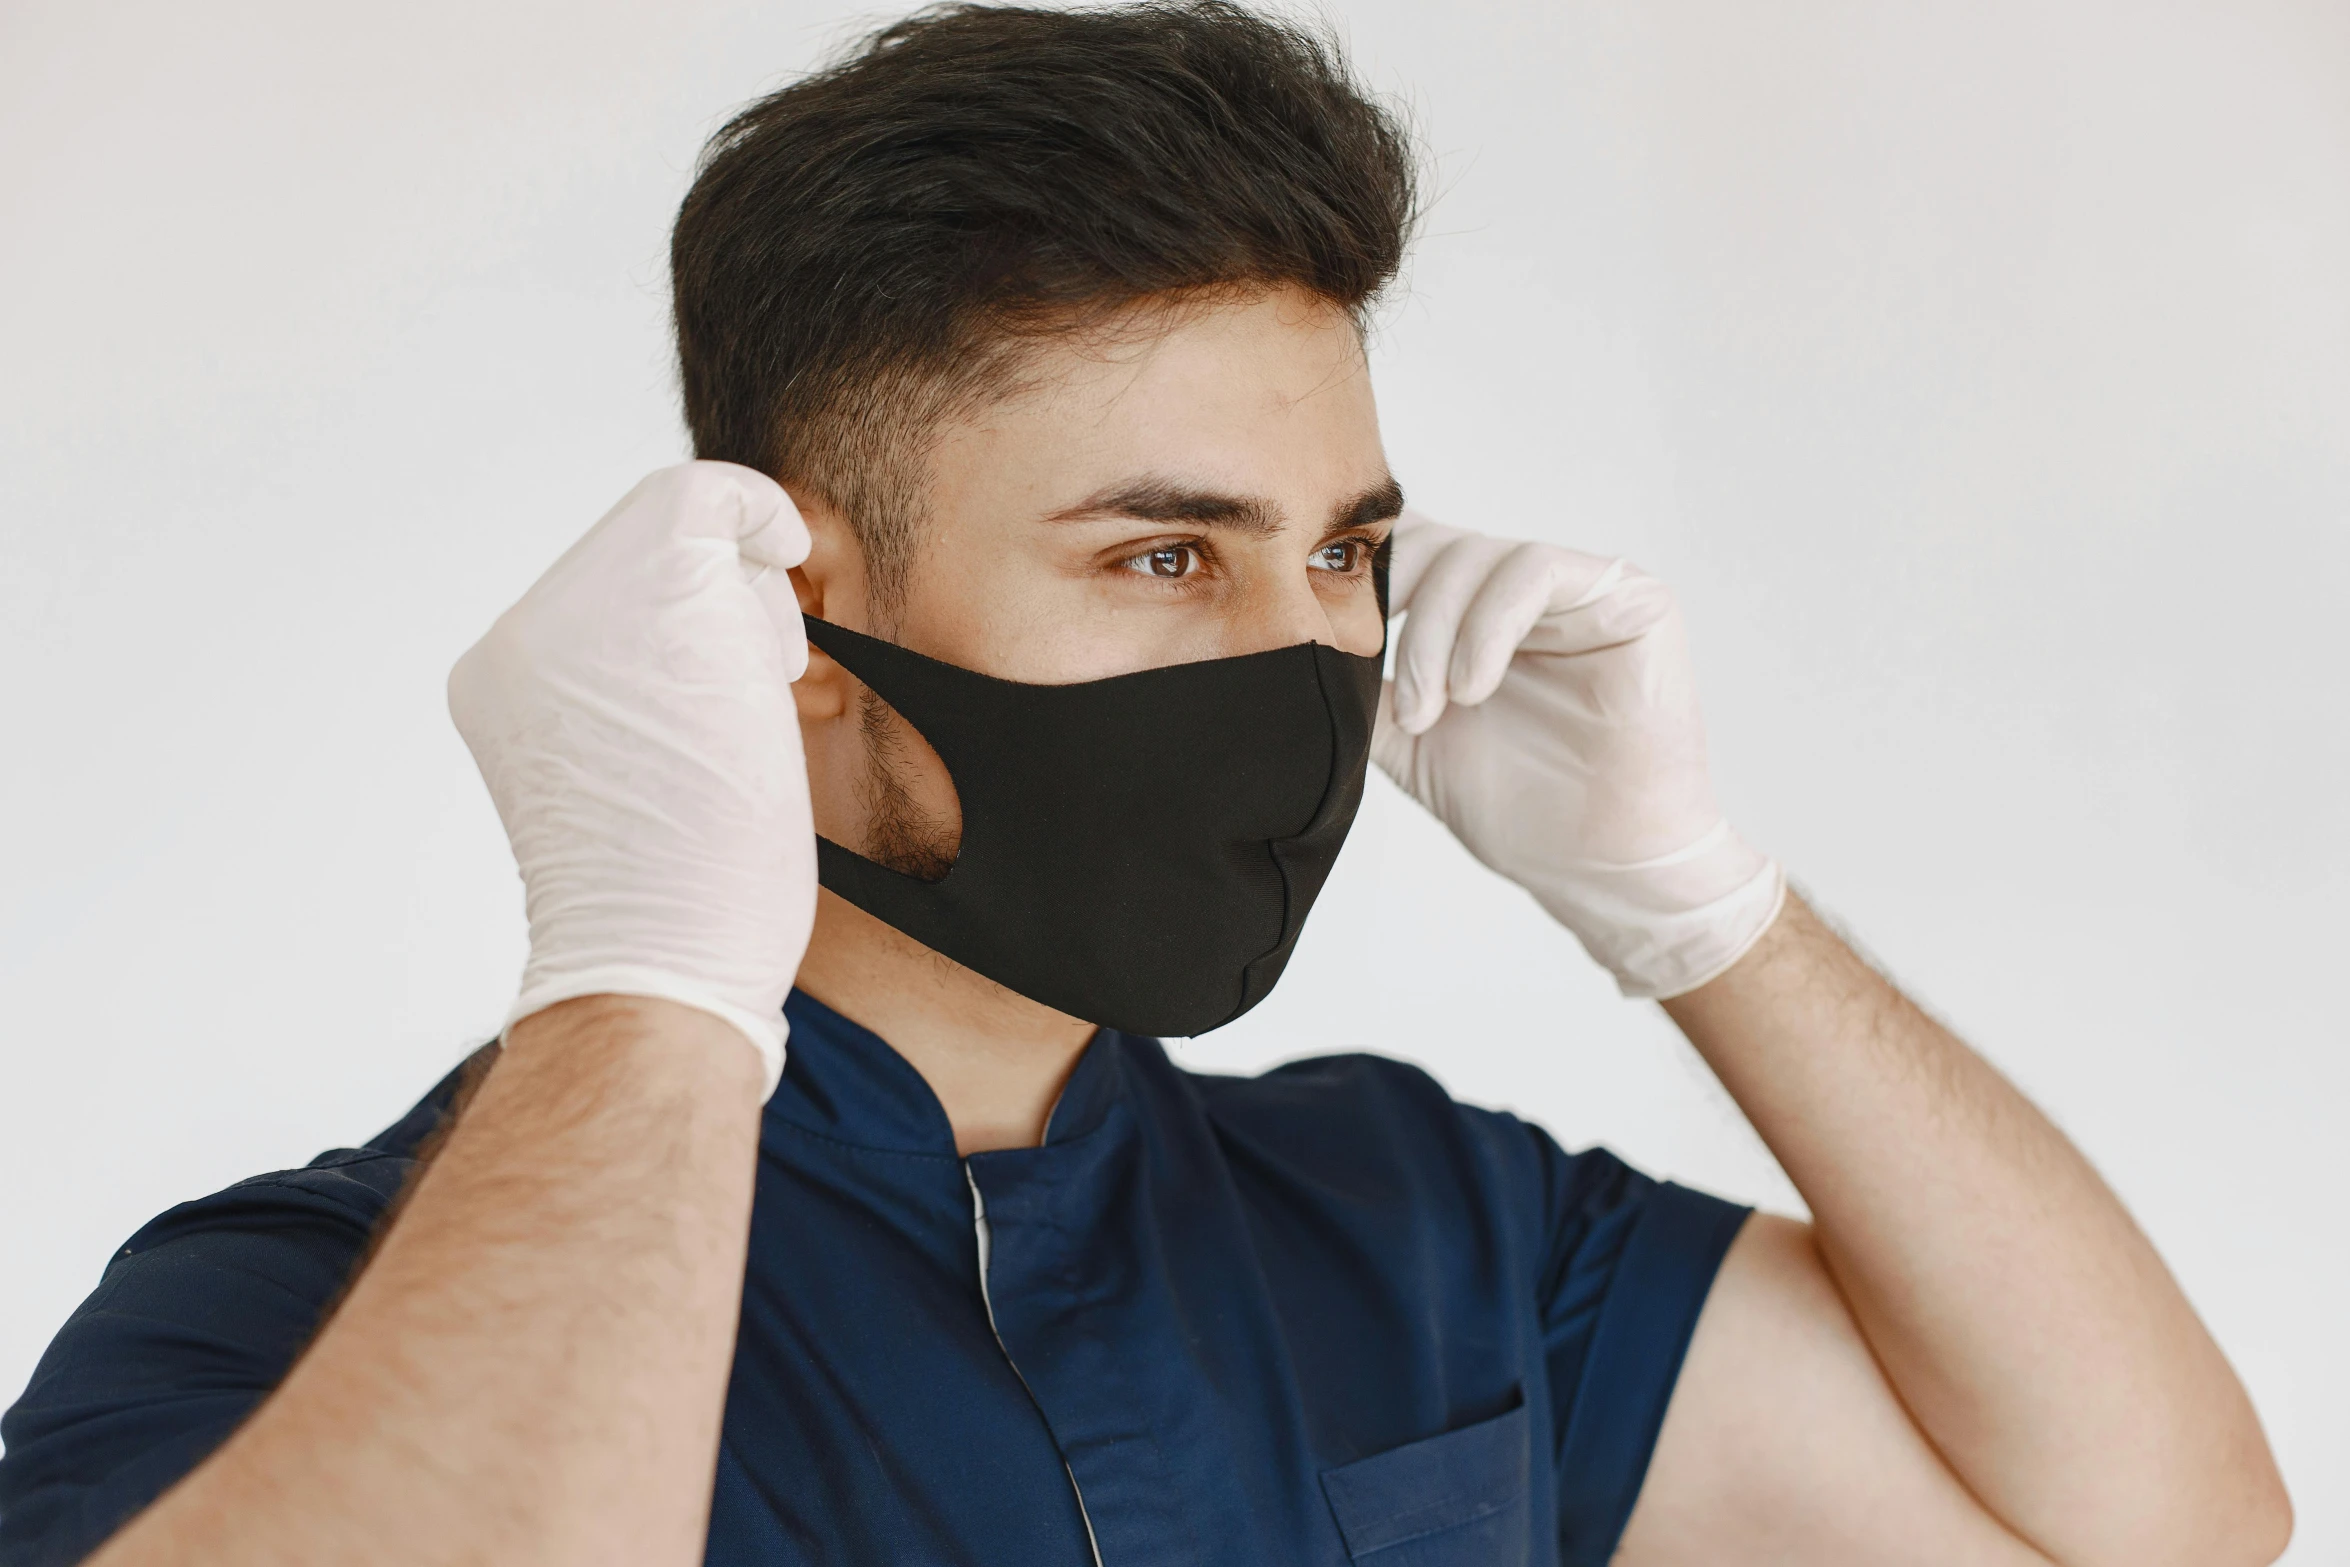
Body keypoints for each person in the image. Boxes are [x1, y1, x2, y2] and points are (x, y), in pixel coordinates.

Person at [0, 5, 2291, 1565]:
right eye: (1162, 553)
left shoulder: (1422, 1227)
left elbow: (2159, 1514)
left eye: (1342, 554)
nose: (1296, 654)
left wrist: (1694, 906)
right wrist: (634, 983)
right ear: (785, 623)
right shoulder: (304, 1306)